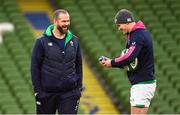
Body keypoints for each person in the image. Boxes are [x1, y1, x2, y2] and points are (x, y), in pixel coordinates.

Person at [99, 9, 156, 114]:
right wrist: (113, 62)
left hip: (142, 85)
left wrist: (112, 62)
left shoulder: (138, 35)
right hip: (143, 83)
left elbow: (129, 56)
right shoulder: (139, 33)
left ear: (127, 22)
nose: (119, 28)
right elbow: (132, 61)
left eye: (119, 25)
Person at [31, 9, 83, 114]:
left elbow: (79, 64)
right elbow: (35, 66)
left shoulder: (74, 41)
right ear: (55, 21)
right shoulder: (41, 42)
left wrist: (78, 88)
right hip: (47, 93)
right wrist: (38, 91)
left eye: (68, 21)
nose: (66, 24)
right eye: (63, 21)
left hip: (69, 93)